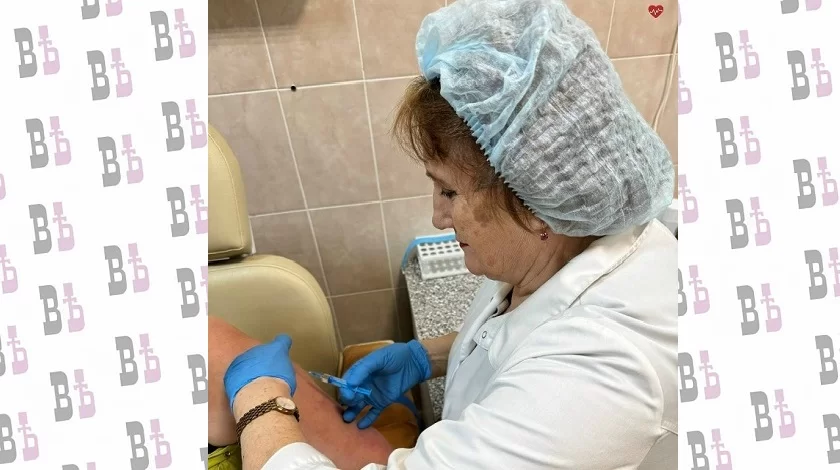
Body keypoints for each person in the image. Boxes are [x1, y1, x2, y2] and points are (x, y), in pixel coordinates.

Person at [212, 0, 677, 468]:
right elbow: (520, 338)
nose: (438, 217)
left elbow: (552, 375)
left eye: (450, 192)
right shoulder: (559, 243)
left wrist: (260, 401)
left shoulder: (599, 380)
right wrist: (427, 357)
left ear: (535, 206)